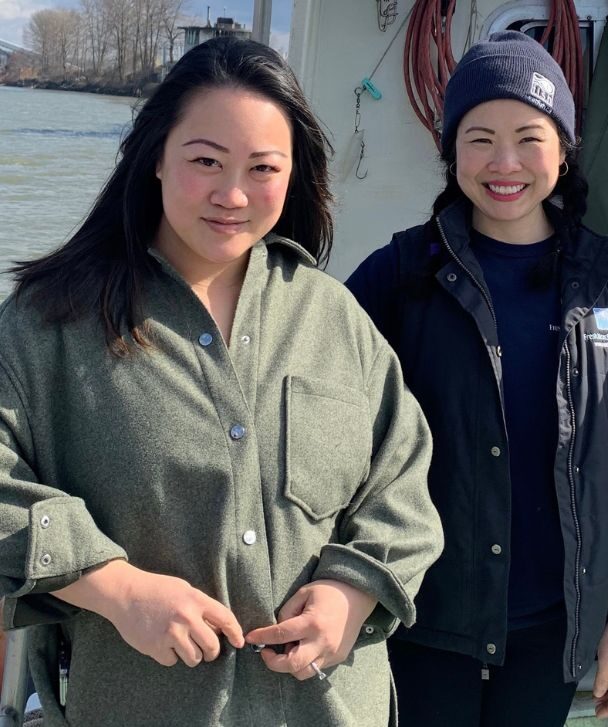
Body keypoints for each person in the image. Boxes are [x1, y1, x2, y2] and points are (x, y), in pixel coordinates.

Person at [0, 37, 442, 726]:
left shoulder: (335, 319)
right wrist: (115, 588)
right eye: (205, 161)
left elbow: (402, 481)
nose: (232, 194)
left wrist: (350, 595)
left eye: (262, 168)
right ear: (154, 158)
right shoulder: (48, 321)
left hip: (327, 708)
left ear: (293, 176)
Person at [346, 30, 608, 726]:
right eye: (480, 138)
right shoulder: (400, 275)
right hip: (426, 620)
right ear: (451, 151)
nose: (505, 162)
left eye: (529, 136)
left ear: (564, 148)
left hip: (555, 629)